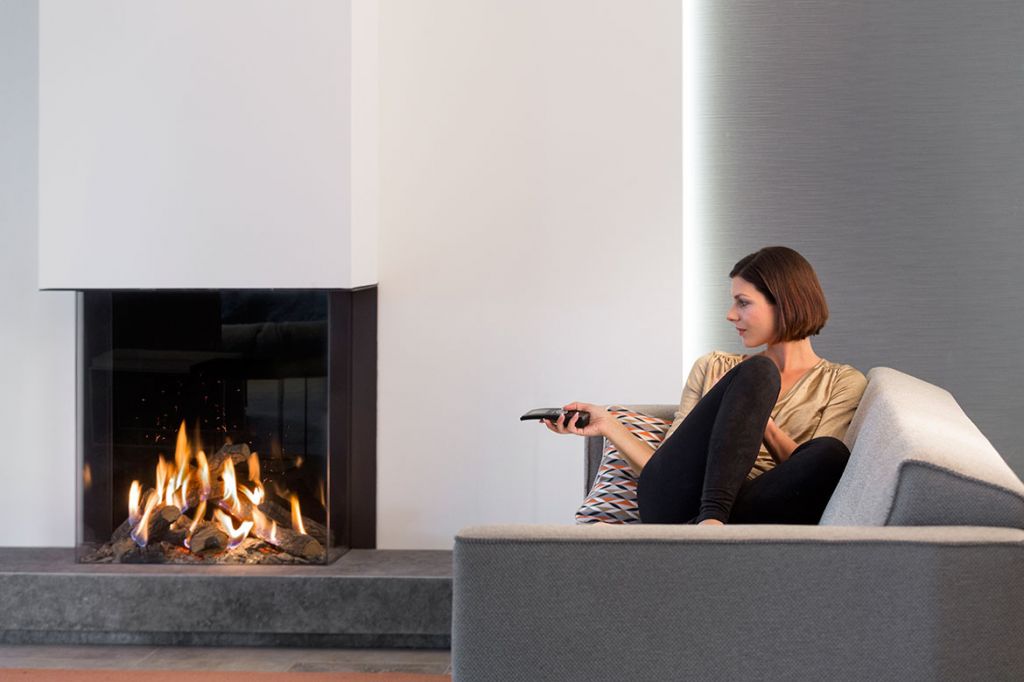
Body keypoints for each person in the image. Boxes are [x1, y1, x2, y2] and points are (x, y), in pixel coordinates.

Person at [543, 246, 867, 525]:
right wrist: (609, 425)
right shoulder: (715, 366)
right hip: (680, 499)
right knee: (759, 372)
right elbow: (665, 468)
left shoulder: (841, 382)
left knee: (831, 453)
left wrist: (759, 421)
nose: (730, 315)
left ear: (784, 303)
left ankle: (711, 523)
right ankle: (711, 522)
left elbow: (816, 469)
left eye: (743, 302)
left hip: (760, 503)